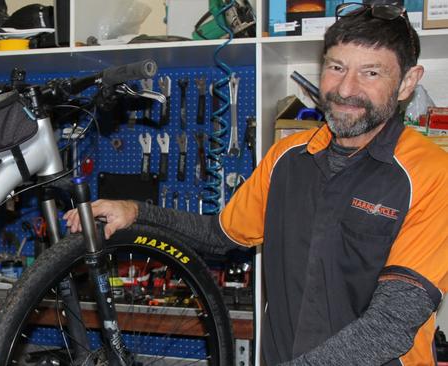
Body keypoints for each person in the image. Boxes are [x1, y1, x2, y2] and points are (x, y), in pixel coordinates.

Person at [65, 3, 448, 365]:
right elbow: (220, 234)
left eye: (371, 72)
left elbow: (391, 325)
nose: (346, 89)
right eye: (336, 67)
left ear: (406, 83)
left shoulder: (431, 173)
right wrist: (135, 213)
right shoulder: (287, 157)